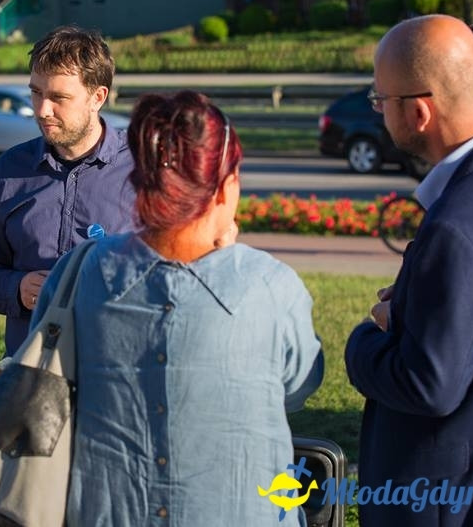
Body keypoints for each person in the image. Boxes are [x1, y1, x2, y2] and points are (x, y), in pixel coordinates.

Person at [33, 90, 324, 526]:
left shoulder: (78, 273)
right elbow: (299, 384)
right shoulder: (270, 285)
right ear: (225, 189)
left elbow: (42, 379)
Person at [345, 14, 473, 526]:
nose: (378, 112)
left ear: (418, 112)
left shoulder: (460, 218)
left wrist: (365, 342)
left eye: (381, 101)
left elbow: (428, 384)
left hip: (460, 501)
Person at [0, 25, 136, 356]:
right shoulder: (9, 170)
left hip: (114, 373)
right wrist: (16, 288)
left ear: (97, 97)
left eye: (58, 97)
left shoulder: (142, 169)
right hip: (29, 375)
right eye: (36, 93)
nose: (42, 110)